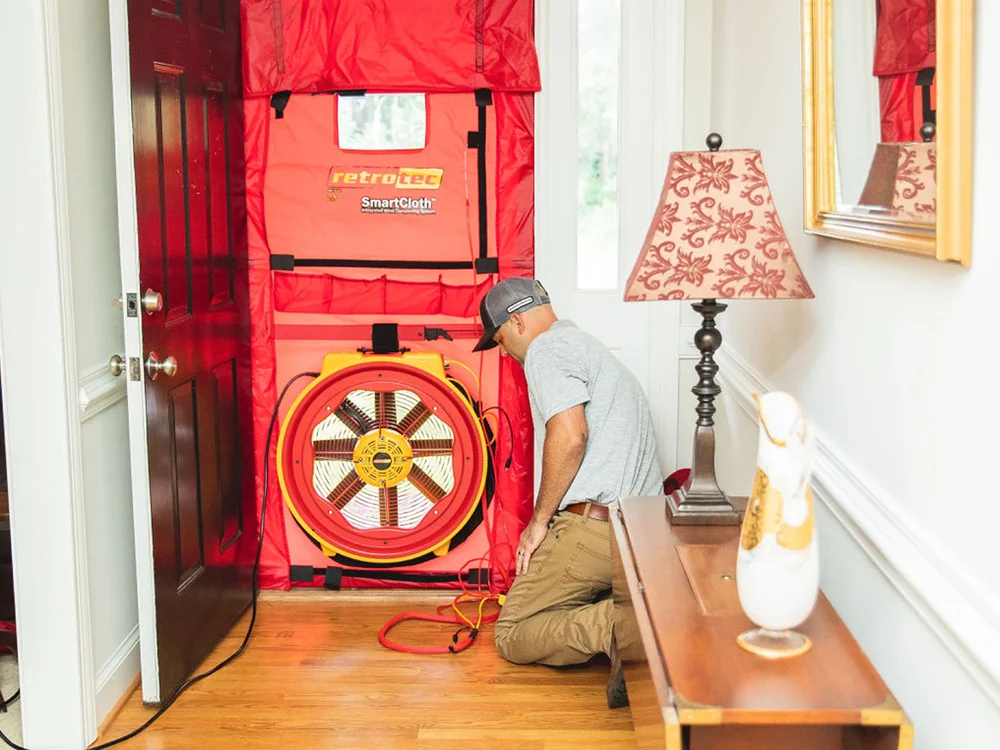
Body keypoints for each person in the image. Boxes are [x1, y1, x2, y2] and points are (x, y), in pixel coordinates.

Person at [472, 277, 663, 708]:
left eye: (500, 340)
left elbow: (571, 435)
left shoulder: (546, 350)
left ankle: (624, 629)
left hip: (595, 530)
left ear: (517, 321)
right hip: (637, 532)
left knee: (511, 634)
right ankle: (624, 617)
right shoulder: (585, 345)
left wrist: (538, 523)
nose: (504, 352)